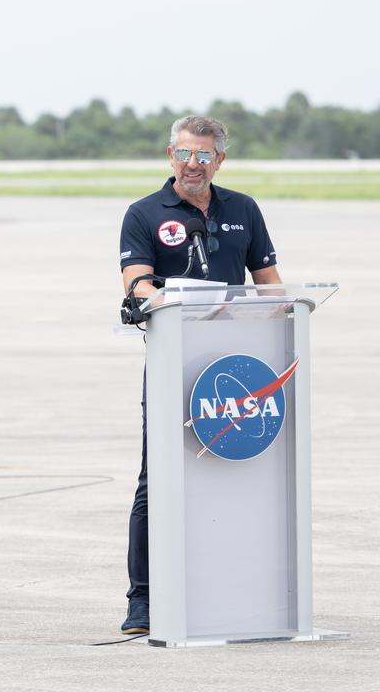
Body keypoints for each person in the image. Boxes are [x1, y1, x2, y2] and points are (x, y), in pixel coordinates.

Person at [117, 115, 282, 634]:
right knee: (157, 480)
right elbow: (137, 283)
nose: (193, 165)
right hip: (174, 364)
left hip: (236, 367)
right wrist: (159, 299)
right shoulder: (143, 213)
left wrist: (283, 318)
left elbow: (271, 284)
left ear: (220, 160)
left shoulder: (244, 209)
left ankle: (232, 589)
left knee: (233, 476)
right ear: (170, 156)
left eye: (204, 156)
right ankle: (142, 602)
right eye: (184, 154)